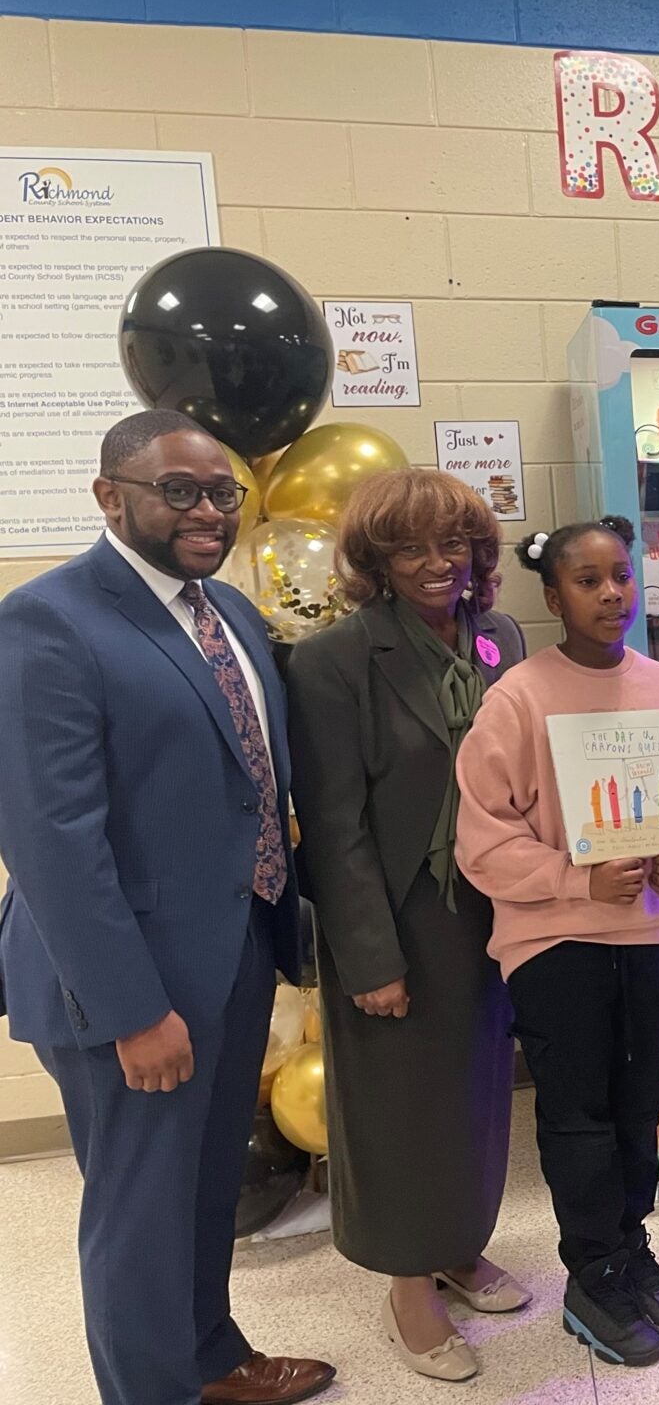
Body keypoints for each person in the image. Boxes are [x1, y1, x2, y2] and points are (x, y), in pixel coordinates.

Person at [0, 410, 334, 1405]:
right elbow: (53, 841)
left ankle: (210, 1357)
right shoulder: (46, 621)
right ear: (111, 496)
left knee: (201, 1192)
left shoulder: (222, 610)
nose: (208, 510)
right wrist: (131, 1011)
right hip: (126, 980)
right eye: (178, 491)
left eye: (222, 492)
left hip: (228, 952)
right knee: (138, 1213)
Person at [455, 515, 659, 1370]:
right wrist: (578, 880)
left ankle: (629, 1243)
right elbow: (482, 841)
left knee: (639, 1101)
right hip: (555, 938)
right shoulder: (520, 698)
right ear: (552, 595)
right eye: (588, 581)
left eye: (620, 577)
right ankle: (590, 1270)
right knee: (579, 1114)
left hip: (647, 932)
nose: (612, 595)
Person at [286, 472, 528, 1383]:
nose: (438, 564)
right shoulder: (334, 660)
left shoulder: (499, 640)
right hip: (398, 915)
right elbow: (334, 825)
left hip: (495, 910)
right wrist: (367, 957)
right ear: (376, 562)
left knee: (477, 1091)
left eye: (453, 544)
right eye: (412, 548)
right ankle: (407, 1285)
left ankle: (460, 1247)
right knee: (398, 1106)